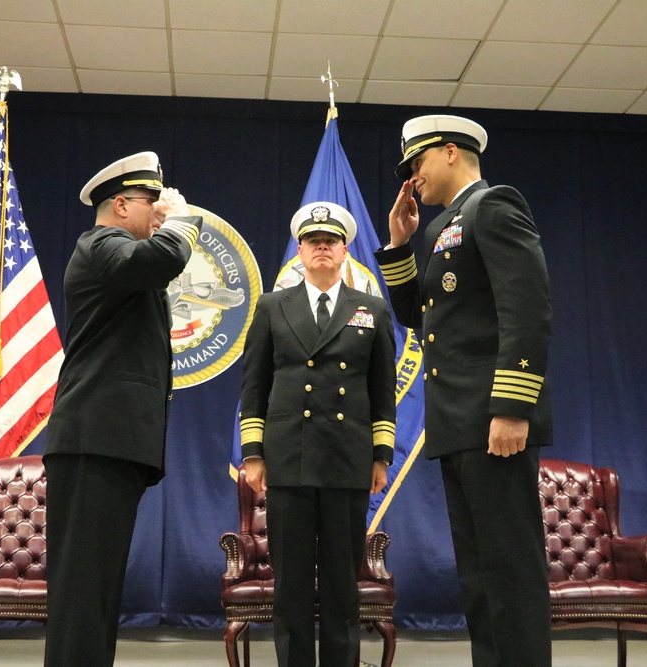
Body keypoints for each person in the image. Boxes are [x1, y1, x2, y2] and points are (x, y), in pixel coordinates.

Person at [374, 115, 553, 667]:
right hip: (456, 424)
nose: (412, 178)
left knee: (510, 572)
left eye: (417, 163)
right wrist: (400, 246)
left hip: (492, 421)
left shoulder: (494, 205)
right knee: (478, 576)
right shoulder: (440, 227)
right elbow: (420, 319)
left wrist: (512, 408)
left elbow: (527, 310)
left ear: (451, 152)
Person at [42, 151, 202, 667]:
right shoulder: (101, 245)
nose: (158, 212)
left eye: (161, 205)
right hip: (94, 438)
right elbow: (159, 260)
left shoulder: (117, 255)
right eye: (150, 203)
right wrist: (181, 224)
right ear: (120, 204)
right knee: (82, 588)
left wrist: (166, 224)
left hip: (111, 442)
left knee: (100, 589)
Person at [239, 202, 396, 667]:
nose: (322, 247)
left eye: (331, 241)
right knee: (289, 584)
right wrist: (253, 454)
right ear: (301, 252)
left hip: (347, 461)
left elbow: (382, 390)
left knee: (341, 582)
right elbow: (255, 385)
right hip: (289, 459)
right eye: (313, 241)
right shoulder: (272, 307)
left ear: (345, 250)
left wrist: (381, 455)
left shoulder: (371, 309)